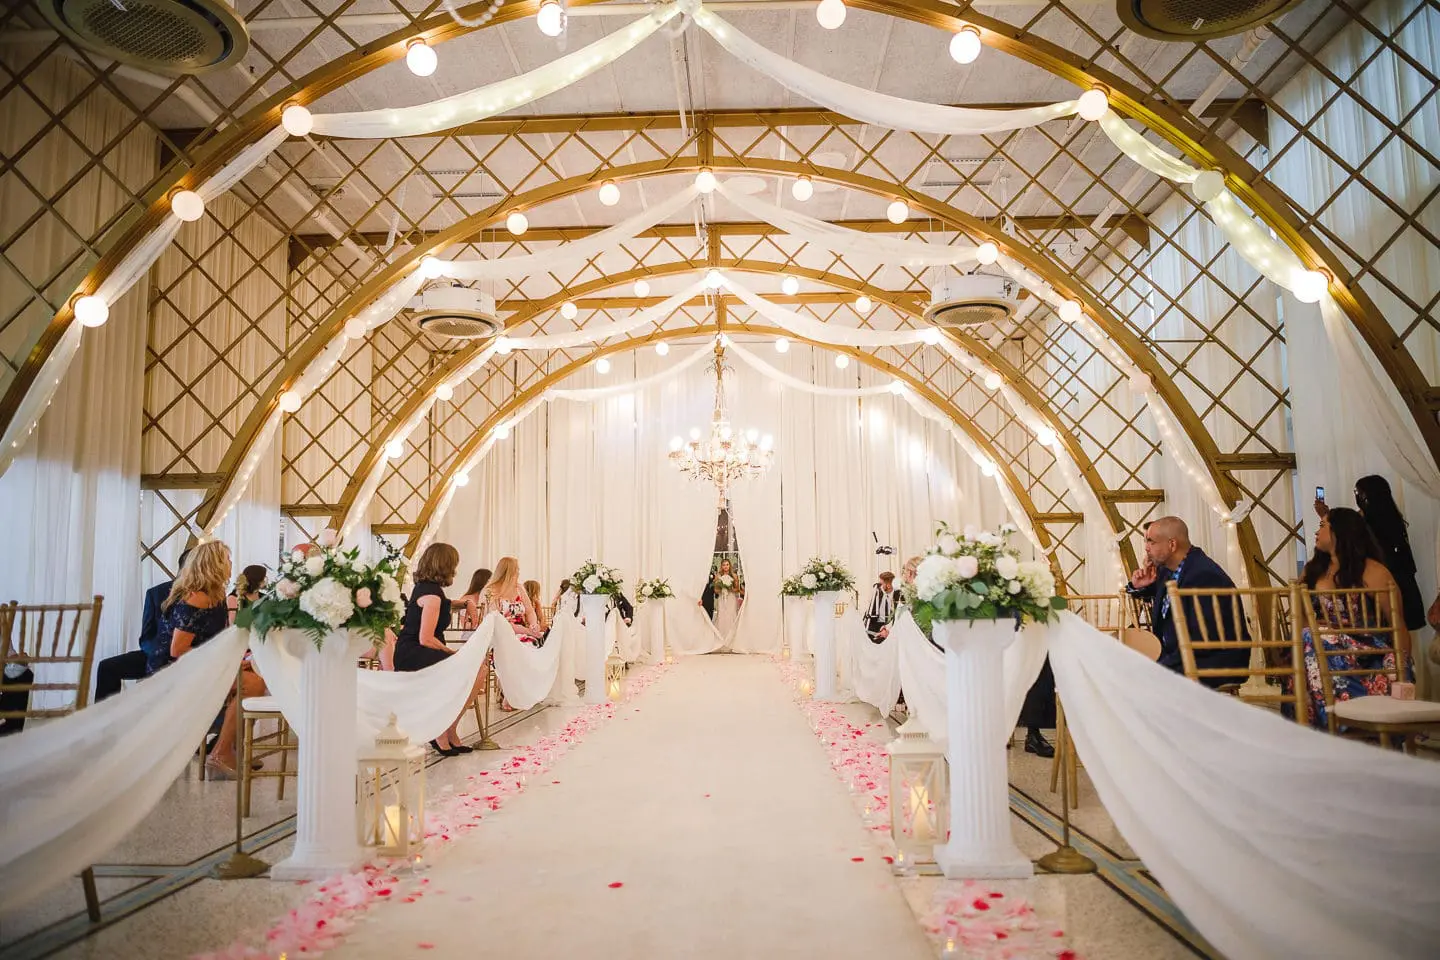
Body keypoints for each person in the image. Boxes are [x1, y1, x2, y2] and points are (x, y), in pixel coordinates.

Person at [1297, 507, 1410, 729]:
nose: (1316, 532)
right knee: (1310, 637)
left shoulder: (1374, 571)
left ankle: (1349, 719)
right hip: (1321, 647)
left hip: (1368, 649)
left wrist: (1403, 664)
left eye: (1322, 526)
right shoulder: (1313, 570)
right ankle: (1333, 722)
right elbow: (1300, 617)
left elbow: (1398, 625)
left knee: (1316, 637)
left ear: (1340, 531)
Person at [1125, 517, 1249, 685]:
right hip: (1182, 654)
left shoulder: (1204, 576)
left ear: (1172, 545)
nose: (1146, 548)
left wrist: (1160, 665)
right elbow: (1159, 598)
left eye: (1151, 542)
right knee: (1125, 668)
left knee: (1135, 678)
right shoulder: (1169, 570)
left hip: (1212, 660)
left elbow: (1202, 640)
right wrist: (1138, 586)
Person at [394, 542, 481, 756]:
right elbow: (426, 638)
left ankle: (448, 728)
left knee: (477, 669)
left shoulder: (427, 588)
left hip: (416, 649)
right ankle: (442, 730)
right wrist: (452, 653)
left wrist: (463, 604)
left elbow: (443, 603)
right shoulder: (432, 595)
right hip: (415, 652)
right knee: (474, 669)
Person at [1316, 476, 1426, 632]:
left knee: (1390, 626)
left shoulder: (1367, 522)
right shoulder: (1391, 517)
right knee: (1400, 627)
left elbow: (1345, 533)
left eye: (1358, 493)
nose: (1357, 497)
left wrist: (1326, 517)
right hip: (1402, 580)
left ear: (1367, 496)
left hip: (1385, 582)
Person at [94, 548, 191, 702]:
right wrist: (158, 656)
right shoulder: (156, 593)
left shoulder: (205, 597)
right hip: (156, 655)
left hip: (188, 657)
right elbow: (146, 637)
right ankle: (105, 715)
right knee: (107, 667)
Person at [707, 558, 743, 642]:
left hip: (731, 598)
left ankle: (732, 639)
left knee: (731, 615)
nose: (725, 566)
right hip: (722, 598)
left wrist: (730, 588)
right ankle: (721, 638)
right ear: (721, 566)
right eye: (724, 565)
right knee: (722, 616)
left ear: (729, 565)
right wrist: (722, 588)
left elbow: (737, 589)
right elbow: (716, 590)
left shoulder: (734, 575)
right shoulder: (718, 576)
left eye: (727, 564)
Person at [864, 572, 902, 642]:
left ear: (889, 585)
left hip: (891, 629)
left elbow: (898, 616)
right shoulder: (877, 592)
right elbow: (870, 613)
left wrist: (887, 629)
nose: (880, 586)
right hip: (875, 627)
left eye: (882, 584)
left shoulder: (898, 594)